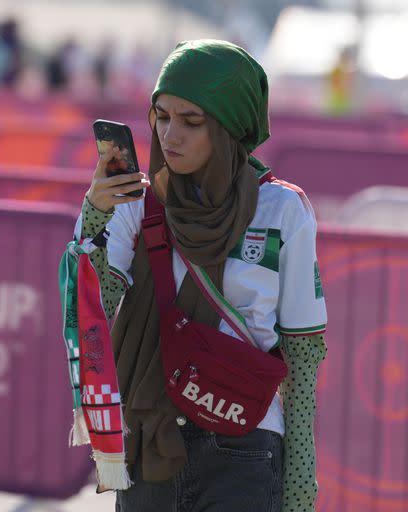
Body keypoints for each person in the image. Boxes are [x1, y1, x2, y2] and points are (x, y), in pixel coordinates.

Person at [64, 40, 327, 512]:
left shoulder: (283, 208)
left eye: (192, 121)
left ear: (229, 127)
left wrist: (301, 472)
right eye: (161, 117)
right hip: (151, 443)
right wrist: (94, 213)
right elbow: (93, 313)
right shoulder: (132, 202)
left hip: (244, 446)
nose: (170, 136)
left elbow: (302, 351)